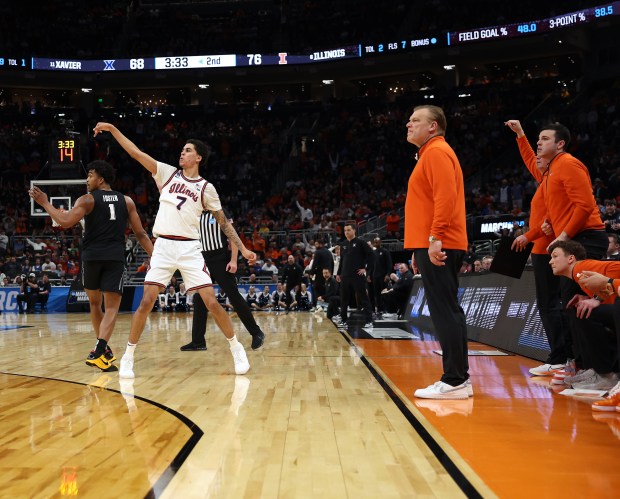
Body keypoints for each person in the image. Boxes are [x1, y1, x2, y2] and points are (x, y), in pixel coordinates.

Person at [93, 122, 256, 378]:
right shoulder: (167, 174)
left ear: (198, 157)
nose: (182, 153)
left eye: (187, 150)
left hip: (190, 248)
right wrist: (113, 130)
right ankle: (129, 356)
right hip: (164, 246)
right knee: (146, 301)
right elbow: (136, 153)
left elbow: (223, 222)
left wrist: (243, 249)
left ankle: (236, 348)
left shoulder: (206, 188)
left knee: (211, 302)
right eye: (182, 149)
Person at [29, 161, 153, 372]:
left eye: (90, 175)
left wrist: (45, 204)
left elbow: (65, 221)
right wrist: (155, 257)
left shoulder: (87, 199)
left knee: (96, 305)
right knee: (112, 307)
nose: (87, 180)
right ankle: (101, 349)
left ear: (101, 179)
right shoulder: (127, 201)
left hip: (92, 258)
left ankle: (100, 351)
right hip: (114, 258)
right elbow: (140, 234)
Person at [520, 122, 607, 376]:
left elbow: (586, 205)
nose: (539, 143)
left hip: (585, 238)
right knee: (570, 304)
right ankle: (578, 365)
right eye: (538, 139)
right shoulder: (549, 172)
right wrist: (520, 136)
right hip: (572, 239)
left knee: (576, 303)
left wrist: (563, 237)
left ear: (559, 144)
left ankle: (594, 368)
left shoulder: (568, 164)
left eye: (544, 139)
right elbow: (529, 160)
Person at [404, 104, 471, 400]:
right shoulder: (429, 153)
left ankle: (455, 379)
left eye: (416, 120)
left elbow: (446, 196)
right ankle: (457, 378)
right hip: (432, 242)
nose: (409, 124)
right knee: (445, 309)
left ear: (433, 126)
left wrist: (434, 238)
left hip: (441, 242)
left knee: (445, 311)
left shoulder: (437, 152)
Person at [506, 120, 570, 376]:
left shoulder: (554, 179)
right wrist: (521, 135)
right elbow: (529, 158)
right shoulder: (544, 179)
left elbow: (553, 221)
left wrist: (530, 235)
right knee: (548, 304)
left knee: (551, 304)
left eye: (542, 157)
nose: (536, 161)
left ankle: (562, 357)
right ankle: (559, 356)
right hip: (542, 249)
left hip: (549, 248)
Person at [180, 210, 265, 351]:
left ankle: (256, 333)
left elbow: (232, 236)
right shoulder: (193, 213)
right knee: (199, 298)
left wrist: (233, 261)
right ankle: (198, 341)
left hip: (220, 258)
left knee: (233, 296)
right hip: (202, 259)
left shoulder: (218, 211)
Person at [547, 240, 618, 391]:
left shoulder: (581, 267)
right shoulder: (578, 276)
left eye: (555, 256)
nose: (550, 261)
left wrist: (597, 299)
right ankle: (594, 369)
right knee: (579, 309)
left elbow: (617, 270)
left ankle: (605, 374)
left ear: (571, 258)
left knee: (586, 312)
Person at [336, 224, 374, 328]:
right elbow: (342, 261)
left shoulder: (361, 243)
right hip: (345, 276)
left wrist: (366, 269)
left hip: (357, 276)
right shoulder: (343, 244)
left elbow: (371, 255)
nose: (346, 232)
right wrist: (339, 273)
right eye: (345, 230)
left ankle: (369, 321)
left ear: (354, 231)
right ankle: (343, 320)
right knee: (344, 299)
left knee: (363, 298)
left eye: (348, 230)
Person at [371, 237, 393, 318]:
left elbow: (389, 264)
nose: (376, 244)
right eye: (375, 242)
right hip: (375, 276)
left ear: (380, 242)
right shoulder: (374, 252)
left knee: (384, 293)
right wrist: (369, 275)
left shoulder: (385, 252)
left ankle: (385, 309)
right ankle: (379, 309)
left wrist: (388, 274)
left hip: (383, 276)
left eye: (377, 242)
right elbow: (372, 265)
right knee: (376, 294)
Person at [308, 238, 333, 308]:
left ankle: (319, 304)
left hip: (320, 274)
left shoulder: (317, 252)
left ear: (320, 244)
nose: (315, 246)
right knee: (326, 289)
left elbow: (315, 264)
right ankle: (326, 305)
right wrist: (332, 272)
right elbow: (332, 263)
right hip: (328, 274)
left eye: (316, 244)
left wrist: (312, 273)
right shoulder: (328, 252)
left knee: (316, 288)